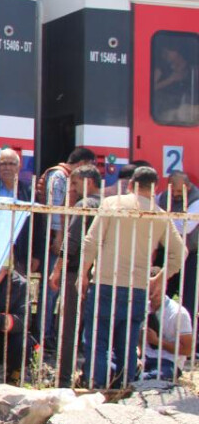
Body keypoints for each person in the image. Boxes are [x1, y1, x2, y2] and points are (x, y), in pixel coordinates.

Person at [79, 166, 186, 388]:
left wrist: (83, 274)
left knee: (98, 340)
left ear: (130, 184)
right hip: (137, 288)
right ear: (155, 188)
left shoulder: (112, 204)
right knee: (127, 343)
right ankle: (124, 387)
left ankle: (96, 386)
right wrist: (160, 278)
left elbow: (91, 242)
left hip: (106, 283)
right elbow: (180, 253)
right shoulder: (159, 214)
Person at [46, 164, 102, 387]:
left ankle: (63, 378)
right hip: (98, 274)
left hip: (76, 273)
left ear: (88, 182)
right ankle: (93, 376)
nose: (73, 188)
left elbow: (72, 241)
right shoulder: (107, 204)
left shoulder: (84, 205)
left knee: (68, 326)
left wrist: (57, 268)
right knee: (96, 327)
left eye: (76, 183)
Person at [0, 148, 32, 272]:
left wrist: (35, 256)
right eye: (3, 164)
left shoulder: (29, 192)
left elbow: (38, 226)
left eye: (11, 164)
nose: (7, 168)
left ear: (19, 167)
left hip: (20, 250)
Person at [141, 268, 194, 382]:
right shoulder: (140, 307)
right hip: (143, 358)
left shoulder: (179, 313)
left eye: (154, 286)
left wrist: (157, 341)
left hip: (167, 362)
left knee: (156, 378)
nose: (151, 291)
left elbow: (187, 350)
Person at [159, 171, 199, 312]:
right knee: (161, 295)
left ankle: (188, 332)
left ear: (188, 187)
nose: (175, 194)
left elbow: (185, 227)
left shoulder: (196, 200)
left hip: (189, 256)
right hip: (165, 253)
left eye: (178, 190)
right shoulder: (163, 196)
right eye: (172, 190)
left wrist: (163, 222)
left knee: (189, 299)